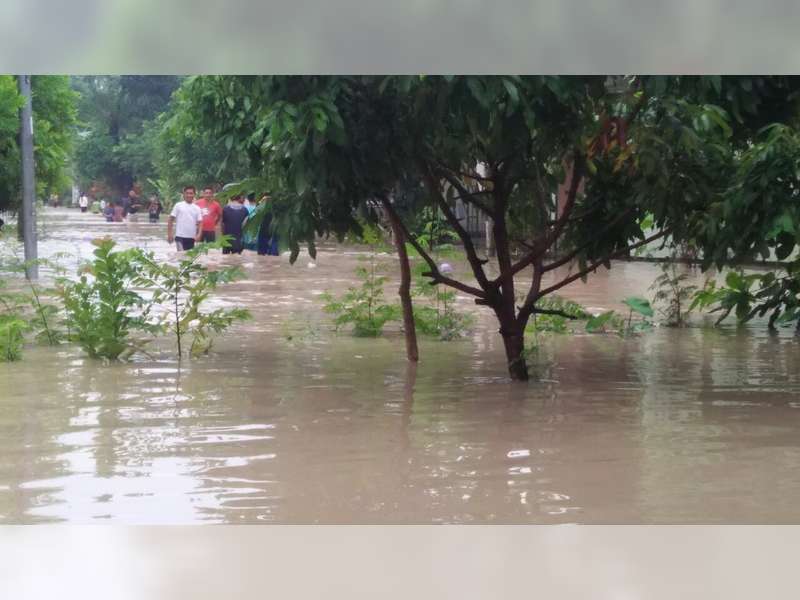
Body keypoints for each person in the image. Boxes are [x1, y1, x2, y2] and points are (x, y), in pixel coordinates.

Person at [167, 185, 202, 251]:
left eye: (191, 193)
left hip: (191, 237)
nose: (189, 195)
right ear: (184, 194)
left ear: (194, 194)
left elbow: (200, 222)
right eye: (187, 193)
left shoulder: (197, 208)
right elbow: (170, 220)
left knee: (189, 259)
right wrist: (169, 234)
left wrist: (199, 234)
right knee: (181, 257)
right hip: (180, 237)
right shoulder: (178, 205)